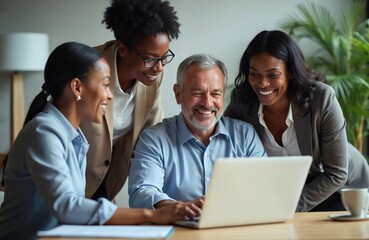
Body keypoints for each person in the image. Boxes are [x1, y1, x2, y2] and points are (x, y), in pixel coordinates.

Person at [0, 42, 197, 240]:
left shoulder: (74, 136)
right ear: (77, 87)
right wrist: (153, 215)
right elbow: (67, 206)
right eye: (105, 84)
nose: (110, 95)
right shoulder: (43, 133)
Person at [224, 30, 369, 212]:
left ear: (291, 72)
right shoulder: (243, 101)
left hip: (340, 189)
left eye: (273, 75)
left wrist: (288, 208)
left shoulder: (321, 99)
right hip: (284, 191)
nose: (263, 83)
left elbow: (337, 174)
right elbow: (220, 141)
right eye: (255, 74)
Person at [128, 54, 266, 210]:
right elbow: (141, 193)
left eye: (215, 94)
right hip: (178, 232)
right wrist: (179, 209)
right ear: (178, 94)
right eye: (197, 93)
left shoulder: (245, 136)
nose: (207, 103)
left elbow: (265, 186)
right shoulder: (153, 139)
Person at [80, 0, 181, 201]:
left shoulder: (152, 76)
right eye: (151, 58)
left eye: (164, 58)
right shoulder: (86, 67)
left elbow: (152, 130)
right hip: (68, 176)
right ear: (123, 49)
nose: (159, 68)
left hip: (107, 180)